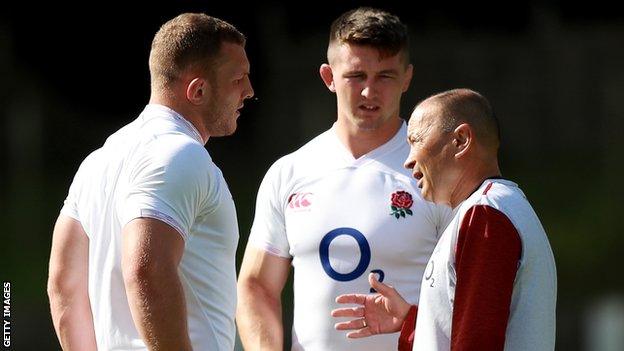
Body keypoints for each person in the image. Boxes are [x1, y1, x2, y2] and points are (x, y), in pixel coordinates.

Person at [236, 7, 452, 351]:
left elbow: (469, 293)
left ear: (407, 78)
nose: (369, 92)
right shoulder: (289, 172)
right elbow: (257, 285)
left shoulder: (437, 170)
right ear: (329, 77)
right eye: (356, 76)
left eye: (385, 76)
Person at [46, 13, 254, 350]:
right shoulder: (181, 155)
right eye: (239, 78)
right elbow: (147, 271)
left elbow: (64, 285)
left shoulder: (98, 161)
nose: (249, 91)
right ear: (198, 90)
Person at [332, 88, 557, 350]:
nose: (408, 160)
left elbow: (477, 343)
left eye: (415, 140)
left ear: (461, 140)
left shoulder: (485, 213)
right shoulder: (497, 207)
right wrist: (413, 323)